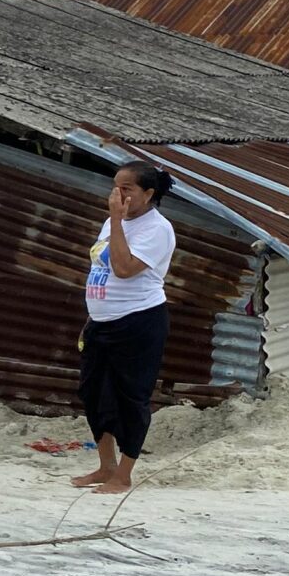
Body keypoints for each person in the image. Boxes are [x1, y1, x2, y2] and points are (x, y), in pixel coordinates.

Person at [71, 162, 177, 494]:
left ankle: (124, 474)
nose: (118, 195)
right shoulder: (110, 223)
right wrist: (93, 315)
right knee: (93, 393)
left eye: (127, 189)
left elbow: (124, 268)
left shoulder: (157, 229)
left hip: (138, 321)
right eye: (116, 186)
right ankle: (106, 466)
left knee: (131, 397)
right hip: (101, 322)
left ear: (148, 194)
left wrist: (117, 219)